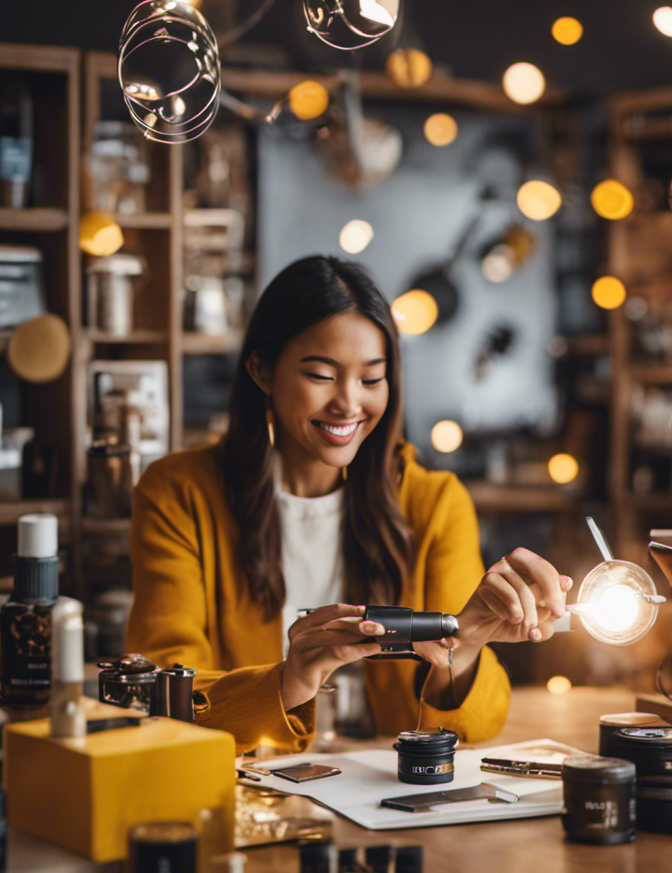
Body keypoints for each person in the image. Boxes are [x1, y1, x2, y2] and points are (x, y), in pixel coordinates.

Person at [126, 255, 572, 752]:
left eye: (371, 378)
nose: (348, 403)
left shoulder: (434, 503)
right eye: (321, 375)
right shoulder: (179, 493)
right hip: (247, 787)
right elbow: (160, 692)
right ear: (261, 370)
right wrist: (288, 681)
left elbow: (478, 724)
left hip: (390, 788)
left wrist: (462, 649)